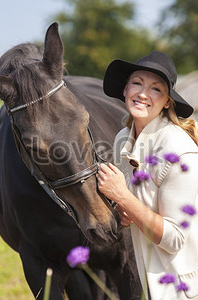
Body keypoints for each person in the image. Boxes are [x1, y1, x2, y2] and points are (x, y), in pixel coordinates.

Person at [97, 51, 198, 300]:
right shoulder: (124, 138)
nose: (142, 93)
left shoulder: (178, 149)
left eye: (155, 89)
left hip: (184, 288)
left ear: (167, 102)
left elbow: (175, 239)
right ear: (125, 89)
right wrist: (124, 210)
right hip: (151, 282)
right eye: (137, 83)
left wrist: (123, 196)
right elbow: (137, 207)